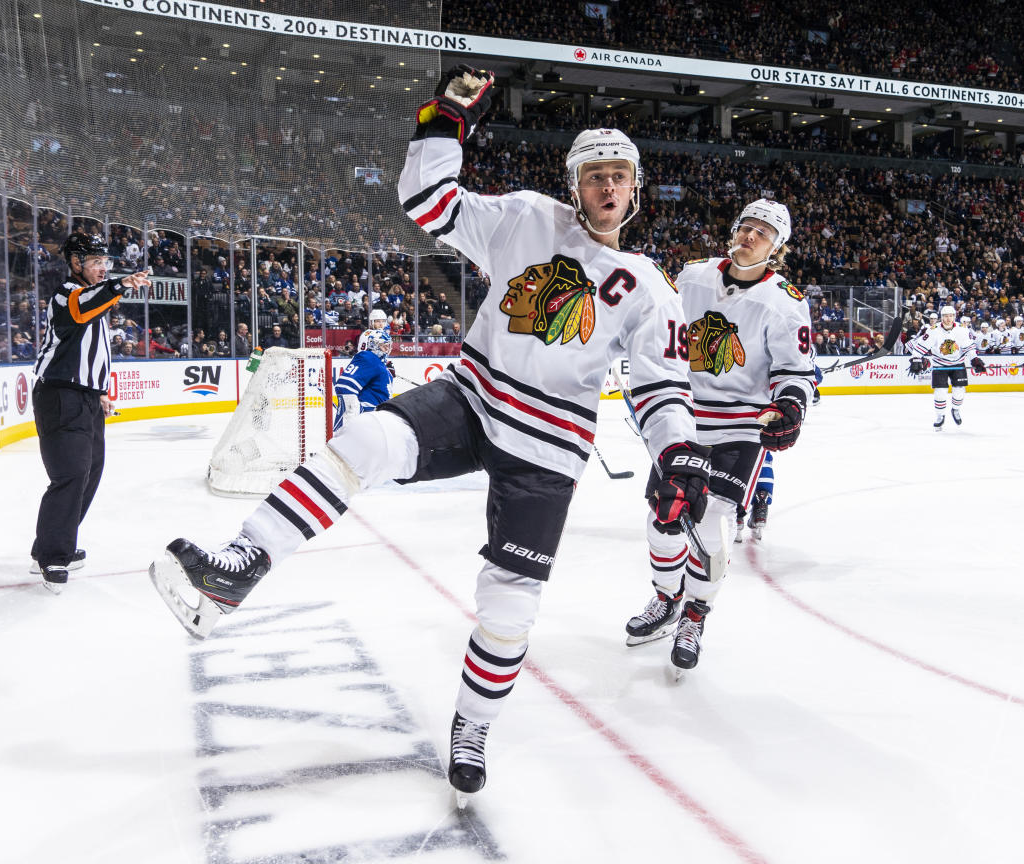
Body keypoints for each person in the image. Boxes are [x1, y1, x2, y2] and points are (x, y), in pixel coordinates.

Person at [147, 67, 706, 806]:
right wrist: (443, 123)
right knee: (365, 445)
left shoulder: (649, 287)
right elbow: (429, 200)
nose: (608, 187)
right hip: (473, 395)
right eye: (595, 174)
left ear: (634, 189)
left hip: (549, 445)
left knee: (509, 608)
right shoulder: (526, 218)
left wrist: (678, 453)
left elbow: (659, 388)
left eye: (619, 176)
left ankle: (472, 726)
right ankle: (239, 566)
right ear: (576, 185)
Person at [625, 198, 816, 675]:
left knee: (711, 528)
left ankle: (694, 615)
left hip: (739, 431)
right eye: (746, 227)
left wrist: (789, 404)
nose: (751, 236)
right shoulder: (690, 277)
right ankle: (667, 600)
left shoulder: (786, 303)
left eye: (764, 233)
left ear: (777, 249)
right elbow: (656, 330)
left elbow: (796, 371)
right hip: (683, 421)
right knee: (662, 520)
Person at [30, 233, 151, 592]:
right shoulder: (66, 296)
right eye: (95, 261)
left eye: (105, 262)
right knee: (70, 474)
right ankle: (53, 555)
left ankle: (51, 541)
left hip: (86, 399)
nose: (102, 267)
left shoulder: (96, 299)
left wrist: (99, 392)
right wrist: (121, 283)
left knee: (89, 473)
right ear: (75, 263)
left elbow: (91, 351)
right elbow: (81, 308)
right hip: (59, 396)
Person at [907, 304, 984, 429]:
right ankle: (940, 415)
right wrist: (915, 359)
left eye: (951, 316)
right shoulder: (933, 330)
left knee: (959, 391)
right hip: (939, 364)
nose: (948, 319)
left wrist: (975, 360)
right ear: (941, 317)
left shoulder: (962, 329)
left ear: (954, 316)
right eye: (946, 316)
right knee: (940, 392)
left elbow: (969, 347)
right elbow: (920, 347)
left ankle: (955, 410)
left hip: (958, 363)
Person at [332, 328, 394, 432]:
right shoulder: (368, 357)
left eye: (387, 346)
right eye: (383, 346)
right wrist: (354, 414)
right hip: (369, 423)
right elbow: (344, 386)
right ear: (371, 345)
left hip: (378, 421)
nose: (387, 350)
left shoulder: (377, 363)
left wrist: (386, 371)